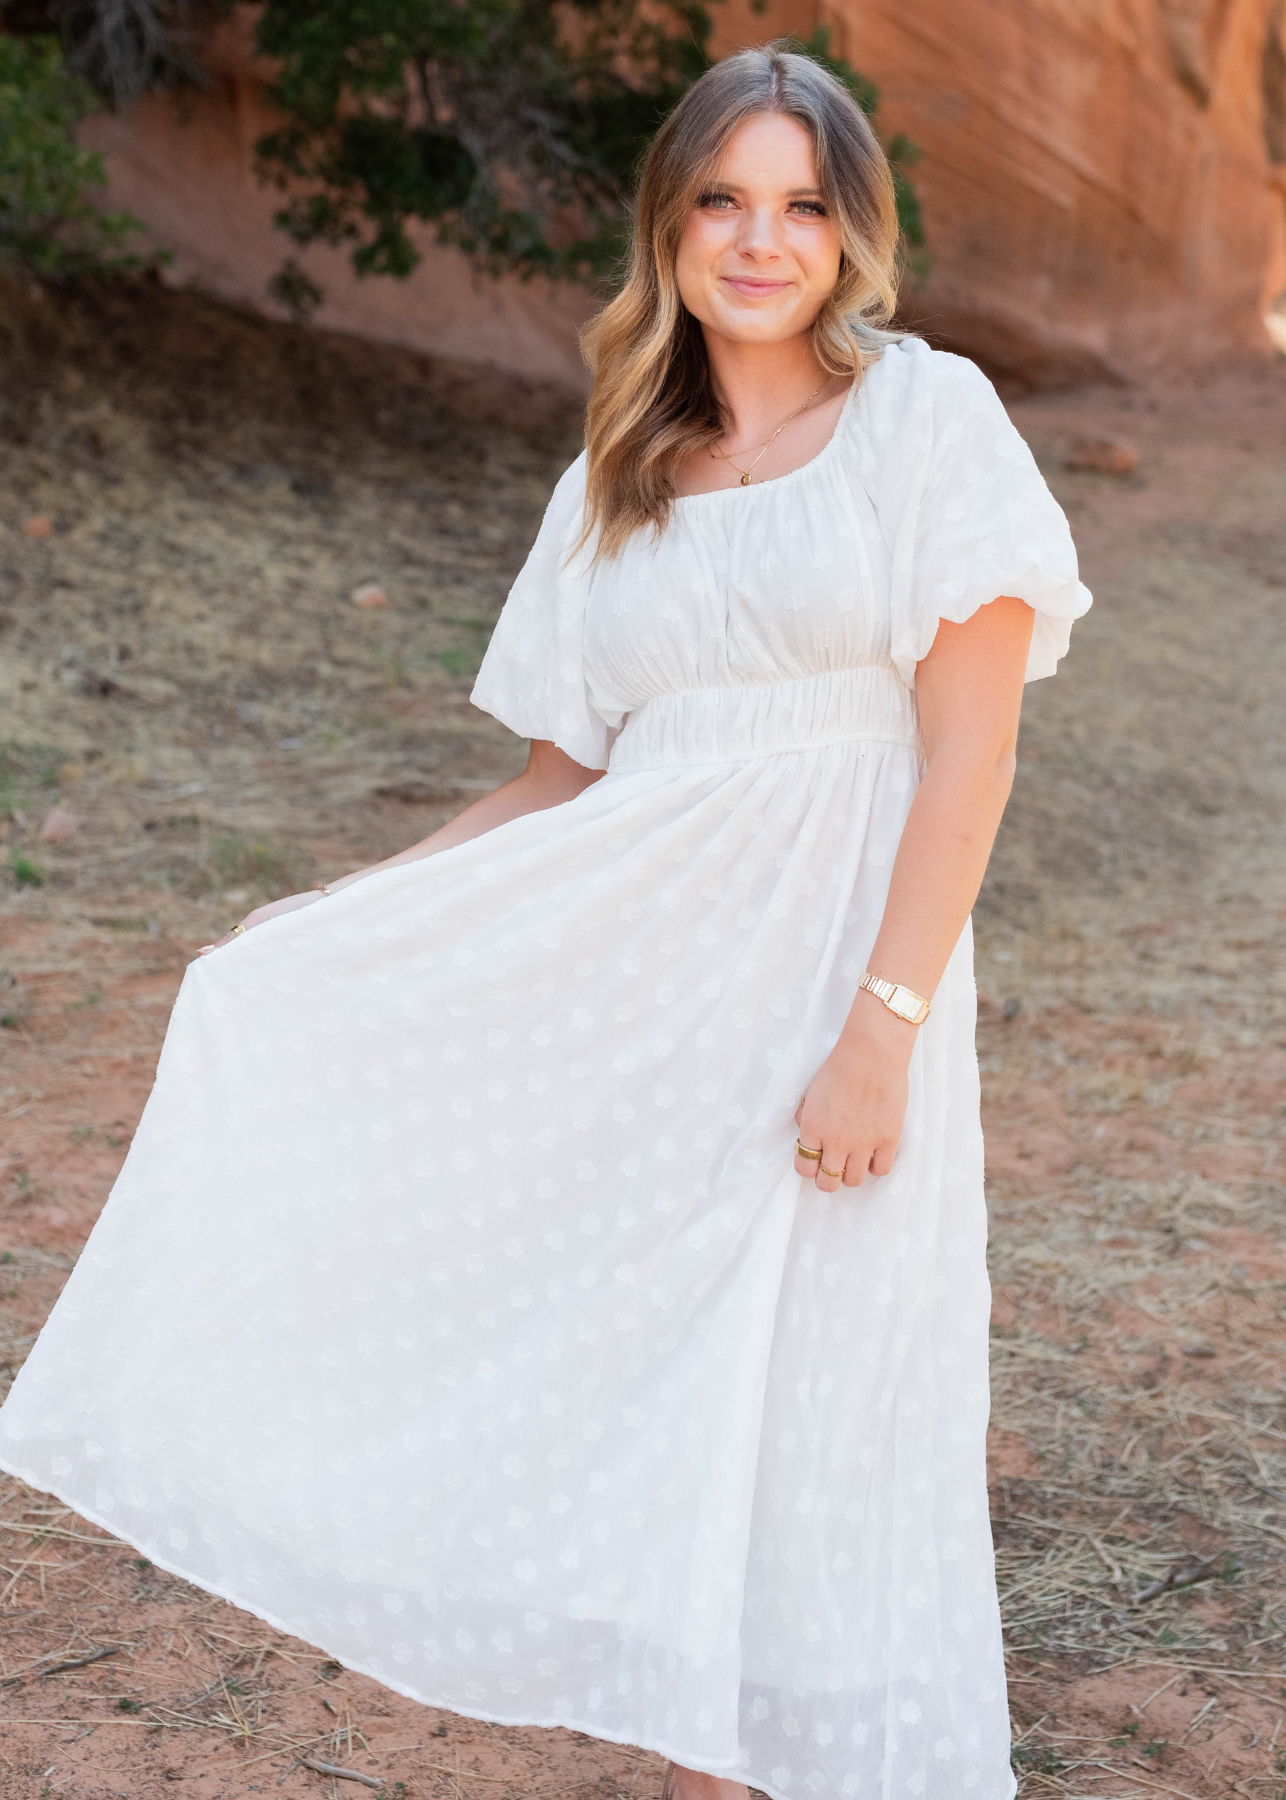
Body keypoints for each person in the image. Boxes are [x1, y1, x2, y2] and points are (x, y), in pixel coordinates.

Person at [0, 43, 1090, 1800]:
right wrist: (344, 919)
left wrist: (879, 1026)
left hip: (834, 976)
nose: (761, 238)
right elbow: (554, 783)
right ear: (668, 223)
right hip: (641, 980)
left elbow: (968, 751)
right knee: (636, 1345)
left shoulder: (923, 418)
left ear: (851, 234)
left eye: (802, 205)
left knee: (823, 1365)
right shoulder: (618, 472)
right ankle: (684, 1724)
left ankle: (826, 1756)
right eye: (723, 200)